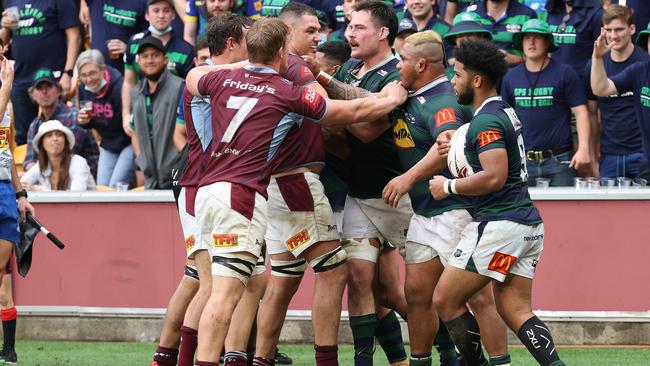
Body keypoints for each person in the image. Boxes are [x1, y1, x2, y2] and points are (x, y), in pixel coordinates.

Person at [185, 17, 407, 366]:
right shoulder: (286, 88)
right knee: (329, 272)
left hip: (214, 189)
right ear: (281, 49)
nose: (318, 38)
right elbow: (342, 112)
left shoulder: (220, 76)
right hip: (264, 188)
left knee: (269, 282)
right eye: (309, 31)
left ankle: (252, 359)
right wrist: (389, 98)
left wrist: (254, 59)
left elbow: (192, 77)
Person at [430, 39, 565, 366]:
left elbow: (494, 176)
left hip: (500, 226)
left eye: (457, 74)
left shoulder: (486, 120)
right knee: (514, 309)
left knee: (445, 300)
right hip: (526, 225)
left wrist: (447, 185)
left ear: (476, 80)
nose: (452, 80)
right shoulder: (501, 109)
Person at [384, 30, 510, 366]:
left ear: (421, 64)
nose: (398, 65)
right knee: (417, 296)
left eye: (403, 60)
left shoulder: (441, 100)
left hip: (456, 211)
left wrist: (408, 177)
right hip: (426, 213)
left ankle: (497, 362)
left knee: (479, 298)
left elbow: (447, 145)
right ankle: (422, 360)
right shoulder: (415, 94)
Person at [318, 2, 411, 365]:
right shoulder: (350, 69)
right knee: (358, 281)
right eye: (348, 27)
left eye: (358, 27)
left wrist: (327, 104)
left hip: (400, 194)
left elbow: (370, 130)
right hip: (359, 192)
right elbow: (342, 139)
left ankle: (448, 352)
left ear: (383, 32)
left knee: (412, 293)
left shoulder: (398, 74)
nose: (349, 34)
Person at [501, 19, 592, 186]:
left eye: (537, 37)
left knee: (566, 212)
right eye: (527, 37)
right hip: (524, 161)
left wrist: (584, 148)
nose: (531, 42)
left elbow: (581, 112)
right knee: (526, 212)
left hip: (560, 159)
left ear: (548, 42)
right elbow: (505, 120)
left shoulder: (565, 73)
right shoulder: (510, 77)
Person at [0, 0, 81, 145]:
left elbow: (74, 36)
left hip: (51, 78)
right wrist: (5, 27)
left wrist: (68, 73)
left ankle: (58, 168)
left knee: (57, 130)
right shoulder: (10, 1)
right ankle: (29, 166)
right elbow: (4, 42)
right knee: (23, 135)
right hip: (21, 76)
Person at [584, 5, 648, 179]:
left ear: (632, 29)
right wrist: (592, 155)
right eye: (609, 30)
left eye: (619, 29)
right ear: (602, 31)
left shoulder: (645, 62)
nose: (614, 35)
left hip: (642, 153)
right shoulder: (594, 66)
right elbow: (591, 113)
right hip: (609, 154)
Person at [0, 52, 33, 366]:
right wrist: (8, 83)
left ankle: (8, 349)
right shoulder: (4, 93)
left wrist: (21, 193)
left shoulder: (5, 103)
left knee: (2, 272)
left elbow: (5, 150)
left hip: (5, 192)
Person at [122, 0, 194, 136]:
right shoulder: (134, 43)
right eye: (156, 11)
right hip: (141, 116)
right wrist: (126, 115)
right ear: (147, 15)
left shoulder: (186, 50)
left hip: (172, 122)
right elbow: (129, 82)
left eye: (166, 11)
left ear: (173, 15)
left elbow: (189, 91)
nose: (161, 15)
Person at [129, 36, 185, 189]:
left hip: (176, 177)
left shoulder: (181, 87)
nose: (150, 60)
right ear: (138, 61)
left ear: (165, 59)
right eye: (145, 56)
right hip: (150, 179)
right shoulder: (136, 92)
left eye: (155, 55)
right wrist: (141, 161)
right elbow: (134, 131)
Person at [23, 69, 99, 178]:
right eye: (39, 88)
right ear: (33, 95)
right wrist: (34, 174)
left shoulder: (74, 116)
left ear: (59, 91)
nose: (44, 91)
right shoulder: (34, 125)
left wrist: (38, 175)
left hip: (84, 179)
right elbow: (29, 161)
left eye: (49, 86)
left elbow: (63, 158)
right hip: (52, 179)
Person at [75, 50, 135, 187]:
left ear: (103, 69)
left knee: (115, 186)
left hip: (128, 142)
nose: (88, 79)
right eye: (83, 75)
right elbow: (87, 121)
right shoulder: (83, 88)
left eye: (92, 73)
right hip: (108, 143)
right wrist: (84, 121)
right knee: (102, 188)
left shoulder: (119, 86)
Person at [21, 120, 96, 191]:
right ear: (42, 143)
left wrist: (40, 189)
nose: (55, 139)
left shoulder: (78, 162)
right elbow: (22, 185)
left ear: (65, 141)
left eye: (59, 135)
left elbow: (76, 196)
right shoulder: (40, 165)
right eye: (49, 136)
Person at [79, 0, 149, 72]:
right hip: (96, 72)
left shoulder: (142, 3)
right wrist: (83, 4)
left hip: (127, 72)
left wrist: (128, 49)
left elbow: (148, 39)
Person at [466, 0, 538, 66]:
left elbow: (539, 55)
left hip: (514, 73)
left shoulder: (527, 15)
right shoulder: (469, 13)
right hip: (478, 72)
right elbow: (460, 49)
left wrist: (518, 59)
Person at [546, 0, 603, 80]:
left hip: (583, 82)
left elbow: (605, 54)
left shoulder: (597, 14)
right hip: (554, 81)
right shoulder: (553, 10)